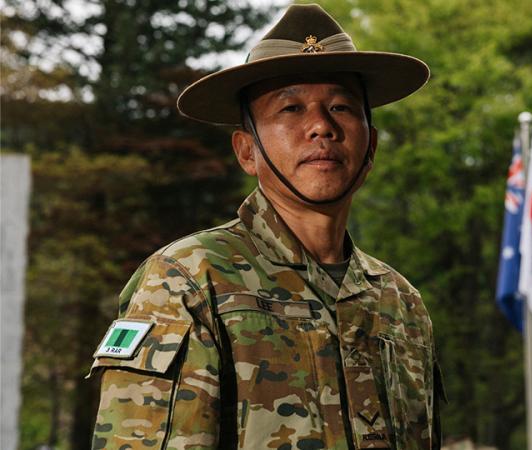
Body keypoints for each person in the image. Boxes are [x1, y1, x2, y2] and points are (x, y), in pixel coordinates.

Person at [88, 4, 444, 449]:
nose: (321, 126)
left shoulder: (400, 302)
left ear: (370, 147)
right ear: (246, 151)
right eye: (291, 108)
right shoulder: (189, 280)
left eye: (340, 106)